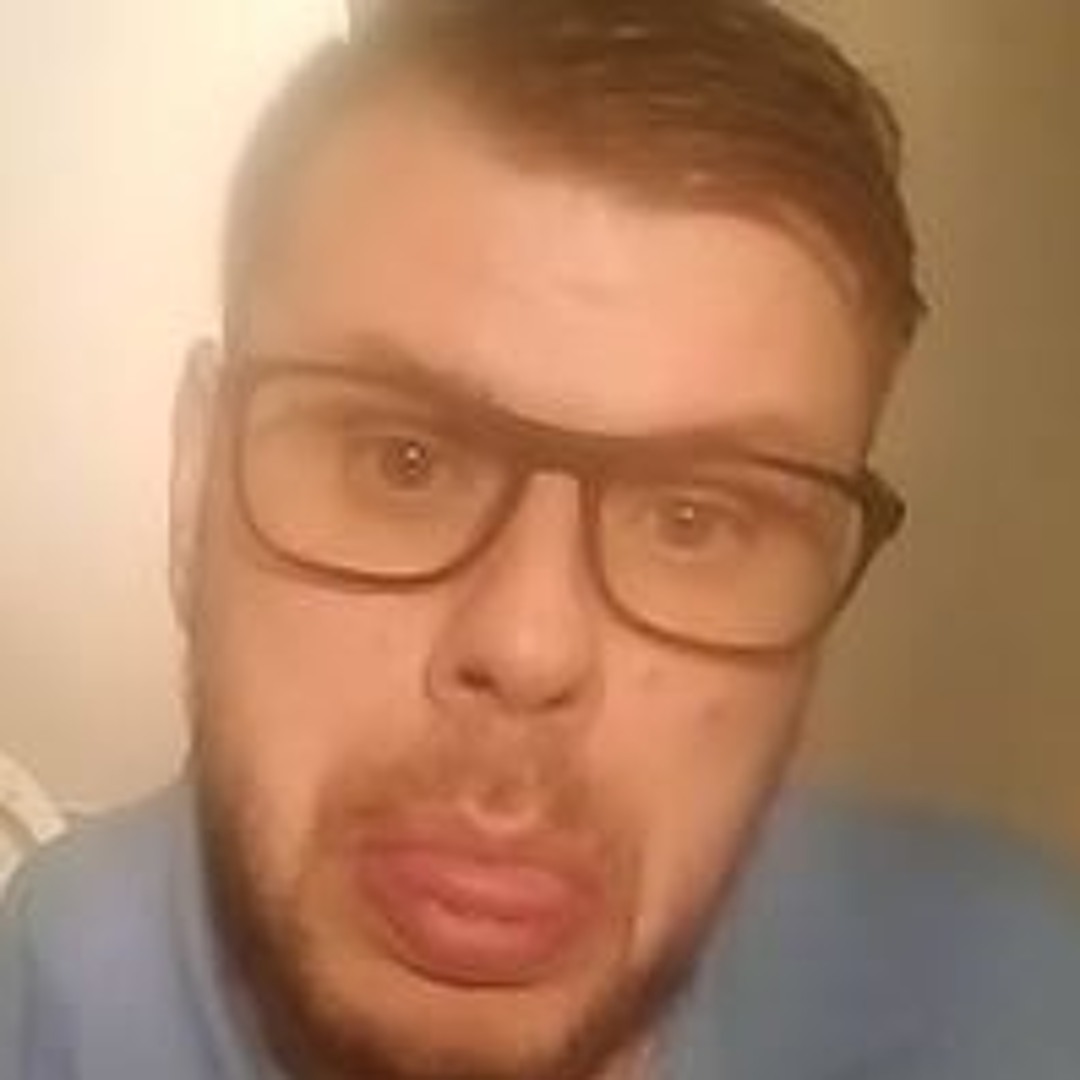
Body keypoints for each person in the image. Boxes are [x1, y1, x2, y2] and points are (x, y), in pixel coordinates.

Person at [2, 1, 1078, 1077]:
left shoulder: (1018, 991)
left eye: (694, 520)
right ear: (195, 482)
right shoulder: (49, 1004)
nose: (528, 646)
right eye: (403, 462)